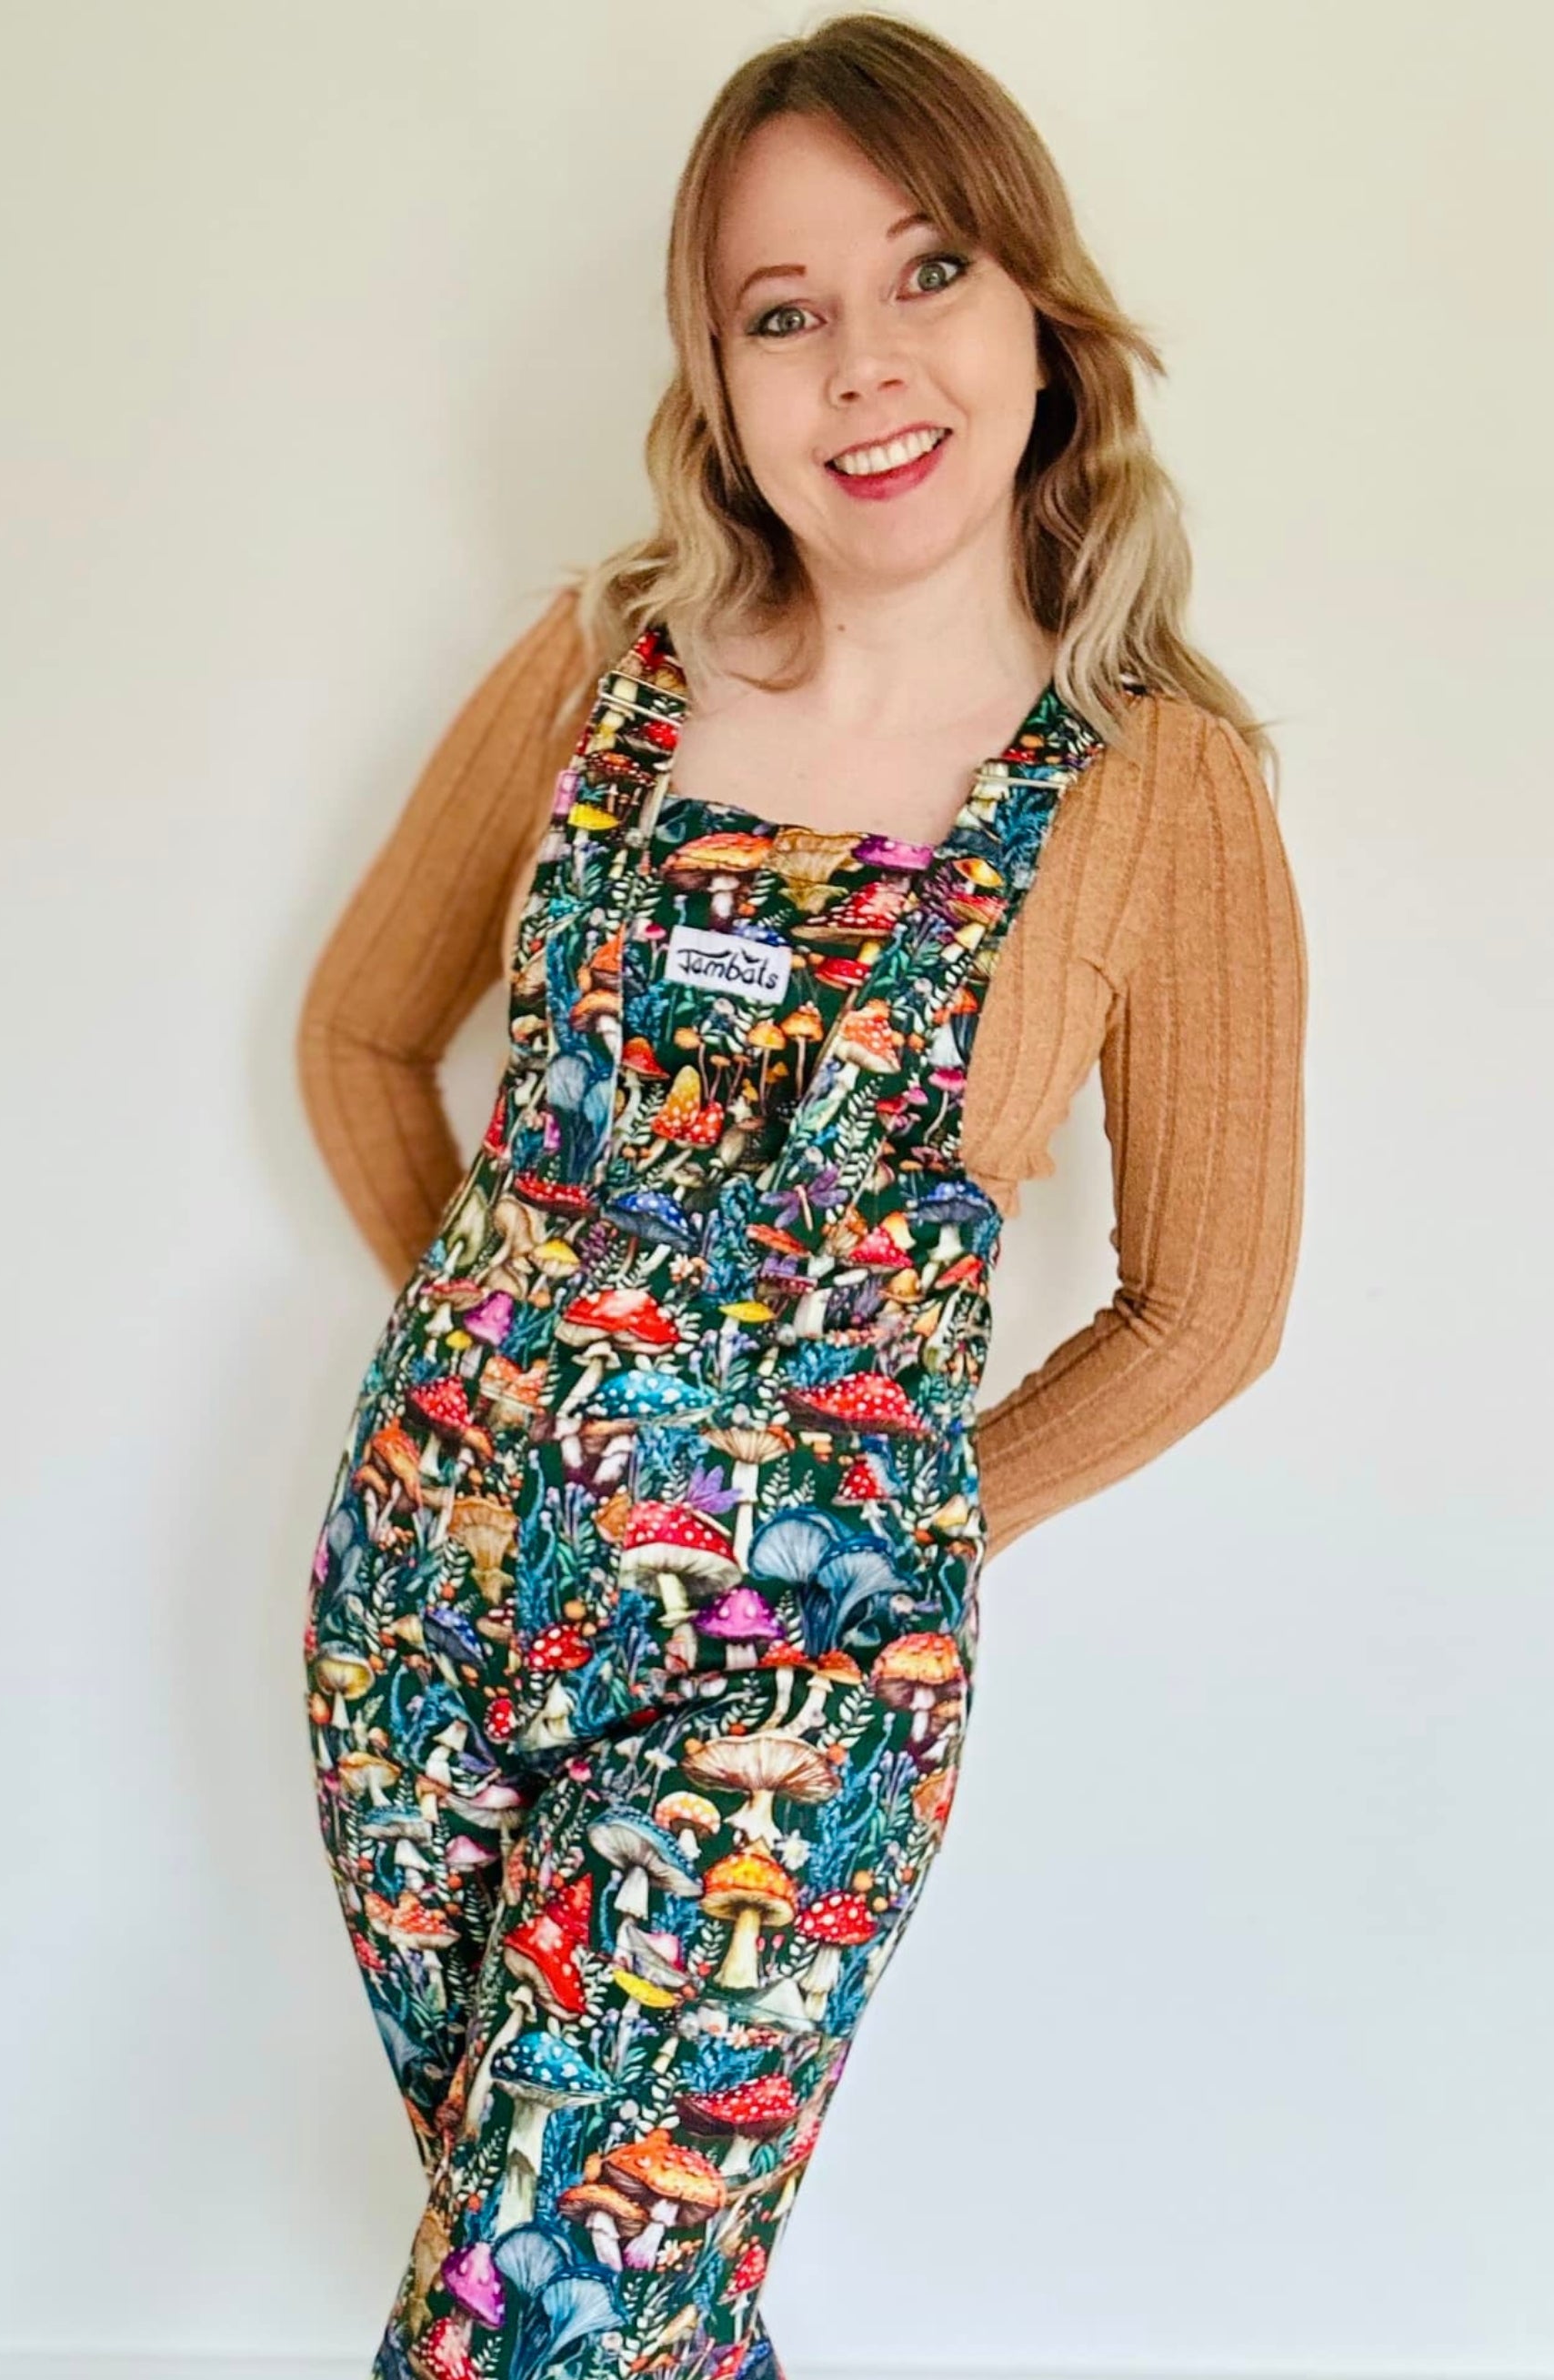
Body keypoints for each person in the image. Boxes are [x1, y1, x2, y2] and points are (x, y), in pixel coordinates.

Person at [296, 15, 1308, 2378]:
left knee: (526, 2335)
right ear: (718, 373)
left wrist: (876, 1530)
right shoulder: (592, 671)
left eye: (922, 265)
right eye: (780, 307)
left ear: (1034, 311)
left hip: (783, 1691)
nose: (860, 357)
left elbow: (1205, 1307)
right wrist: (501, 1376)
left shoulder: (1159, 792)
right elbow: (360, 1036)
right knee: (617, 2313)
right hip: (418, 1628)